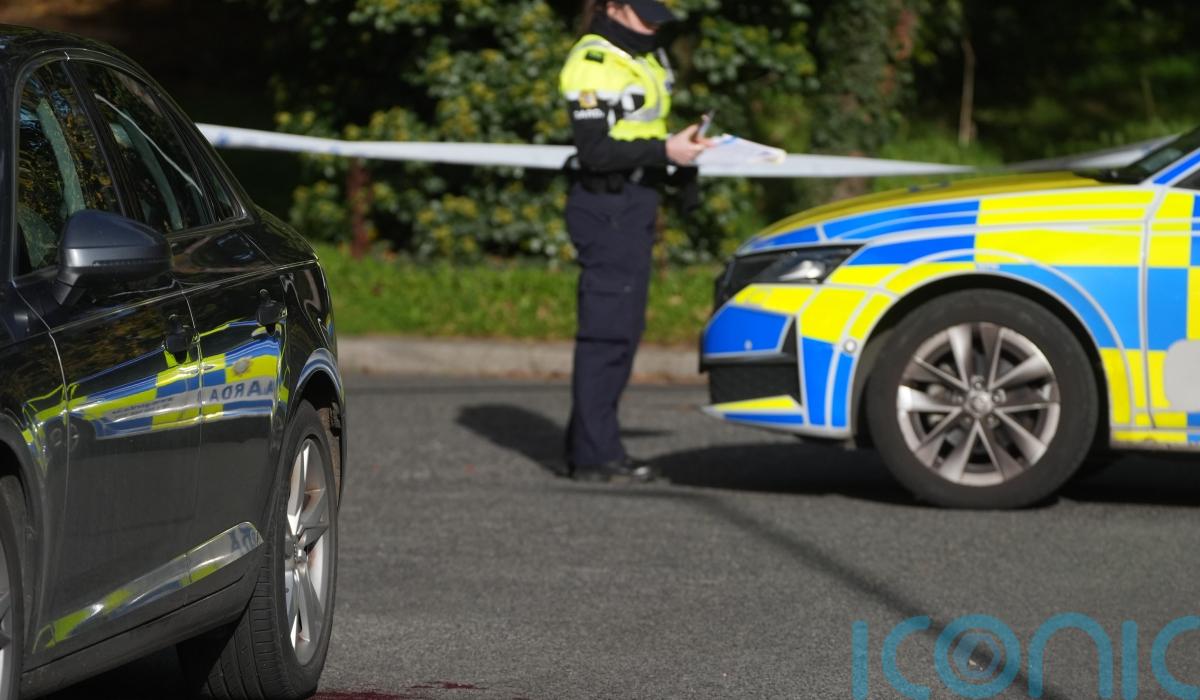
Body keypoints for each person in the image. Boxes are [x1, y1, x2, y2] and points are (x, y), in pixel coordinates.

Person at [559, 0, 713, 483]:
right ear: (613, 6)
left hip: (633, 204)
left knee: (622, 331)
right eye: (643, 13)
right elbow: (594, 149)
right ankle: (594, 456)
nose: (652, 24)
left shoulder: (644, 57)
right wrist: (665, 150)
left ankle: (589, 444)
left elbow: (641, 131)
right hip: (606, 208)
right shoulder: (594, 60)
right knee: (607, 335)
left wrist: (679, 156)